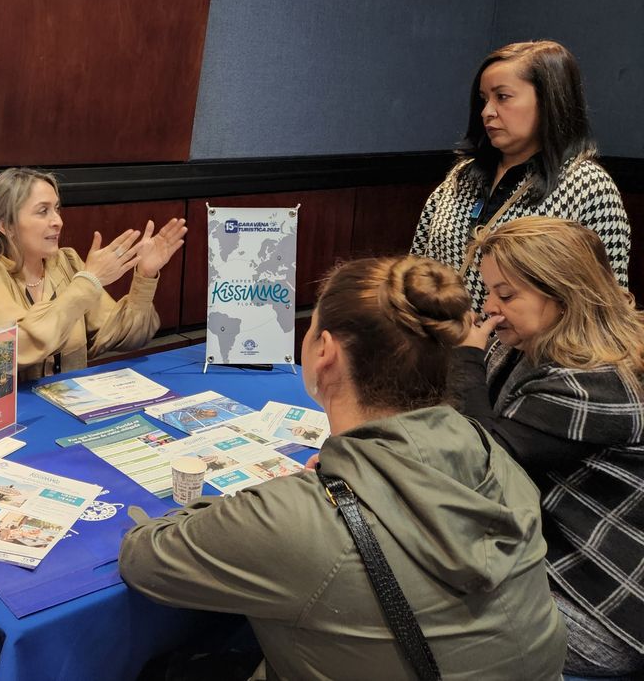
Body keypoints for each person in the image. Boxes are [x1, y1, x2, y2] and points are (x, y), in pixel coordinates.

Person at [119, 254, 567, 680]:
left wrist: (279, 502)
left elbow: (144, 557)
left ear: (325, 352)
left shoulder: (296, 518)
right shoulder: (496, 458)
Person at [451, 217, 644, 677]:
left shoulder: (596, 385)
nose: (490, 309)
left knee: (410, 604)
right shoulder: (528, 340)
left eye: (506, 294)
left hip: (599, 608)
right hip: (543, 554)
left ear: (562, 294)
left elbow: (476, 461)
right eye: (489, 292)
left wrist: (464, 360)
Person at [411, 39, 630, 310]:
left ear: (549, 101)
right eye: (484, 99)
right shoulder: (462, 176)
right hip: (444, 342)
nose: (487, 112)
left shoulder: (589, 187)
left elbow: (606, 306)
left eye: (502, 97)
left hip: (532, 351)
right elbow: (418, 264)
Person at [0, 167, 186, 380]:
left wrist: (145, 275)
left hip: (67, 405)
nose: (58, 221)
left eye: (56, 209)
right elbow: (16, 348)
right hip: (5, 416)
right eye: (43, 211)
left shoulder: (66, 262)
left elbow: (126, 337)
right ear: (6, 225)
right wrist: (88, 282)